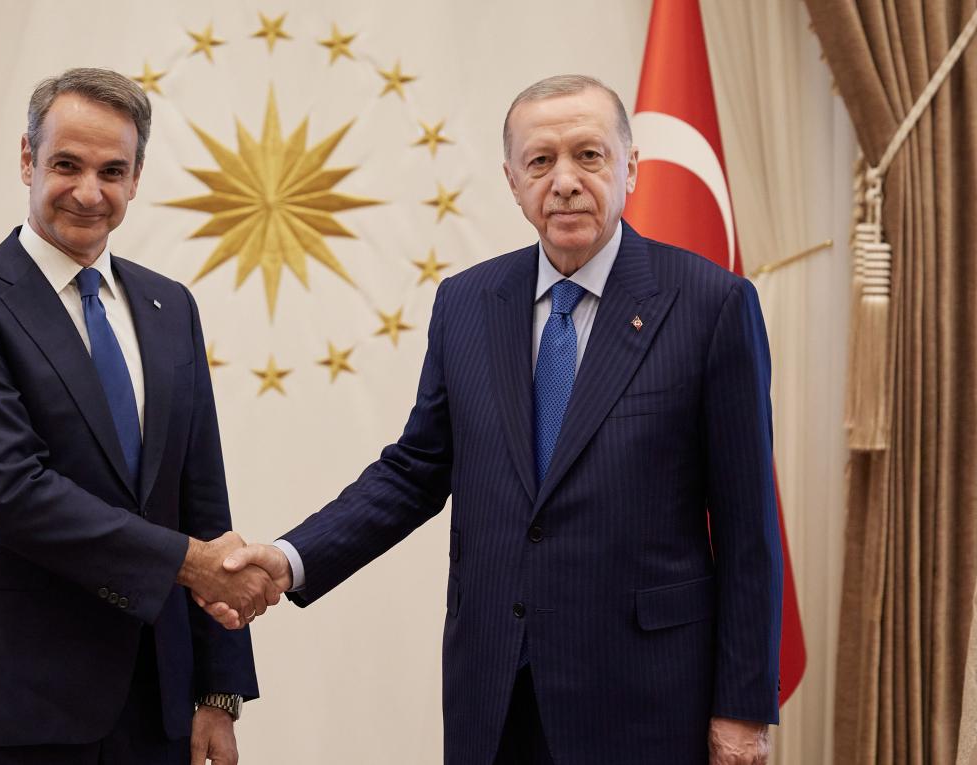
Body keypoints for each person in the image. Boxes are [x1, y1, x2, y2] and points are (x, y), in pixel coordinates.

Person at [210, 74, 782, 764]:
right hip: (496, 691)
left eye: (589, 155)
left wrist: (743, 709)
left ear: (630, 167)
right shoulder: (467, 303)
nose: (564, 182)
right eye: (540, 161)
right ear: (512, 181)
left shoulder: (712, 305)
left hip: (645, 697)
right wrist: (290, 558)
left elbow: (749, 526)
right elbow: (414, 472)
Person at [0, 67, 279, 765]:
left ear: (136, 179)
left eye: (112, 171)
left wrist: (219, 690)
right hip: (17, 703)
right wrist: (191, 563)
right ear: (28, 160)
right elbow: (12, 493)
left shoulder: (170, 307)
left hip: (159, 703)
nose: (88, 192)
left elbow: (202, 498)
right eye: (66, 165)